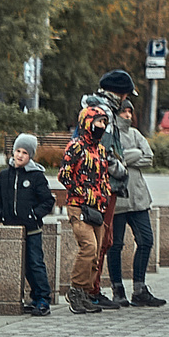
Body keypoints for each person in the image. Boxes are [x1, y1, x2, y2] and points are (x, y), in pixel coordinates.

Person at [96, 71, 165, 308]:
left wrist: (126, 157)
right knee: (115, 245)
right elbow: (111, 156)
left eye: (130, 110)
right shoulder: (108, 125)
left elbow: (148, 157)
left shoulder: (135, 133)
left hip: (138, 197)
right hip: (118, 196)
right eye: (124, 109)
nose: (127, 113)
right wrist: (128, 157)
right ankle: (117, 289)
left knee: (146, 240)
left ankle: (140, 288)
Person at [59, 101, 119, 315]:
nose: (101, 126)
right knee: (89, 247)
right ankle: (75, 290)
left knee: (97, 252)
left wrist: (104, 196)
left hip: (97, 208)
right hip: (78, 206)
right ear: (87, 122)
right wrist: (83, 194)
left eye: (104, 122)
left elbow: (103, 177)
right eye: (98, 121)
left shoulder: (101, 149)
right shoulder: (76, 146)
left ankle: (86, 292)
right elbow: (64, 175)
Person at [0, 133, 55, 315]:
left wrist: (34, 215)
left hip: (32, 229)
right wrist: (2, 215)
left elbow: (47, 201)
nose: (20, 155)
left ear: (30, 156)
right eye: (18, 151)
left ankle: (43, 299)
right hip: (12, 229)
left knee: (35, 263)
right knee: (23, 265)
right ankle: (34, 297)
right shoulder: (4, 176)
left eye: (25, 153)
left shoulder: (36, 177)